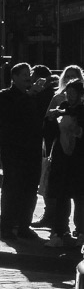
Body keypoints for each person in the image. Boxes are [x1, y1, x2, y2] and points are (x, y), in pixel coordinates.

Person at [0, 61, 45, 239]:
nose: (27, 77)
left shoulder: (34, 96)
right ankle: (7, 227)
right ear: (14, 77)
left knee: (30, 188)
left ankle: (25, 226)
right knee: (12, 188)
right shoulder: (5, 95)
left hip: (32, 150)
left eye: (29, 74)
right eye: (24, 74)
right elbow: (11, 115)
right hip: (14, 151)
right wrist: (29, 96)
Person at [45, 79, 84, 242]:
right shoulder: (62, 109)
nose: (70, 96)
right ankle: (61, 229)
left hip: (79, 158)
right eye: (68, 93)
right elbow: (50, 133)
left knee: (80, 196)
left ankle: (81, 229)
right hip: (62, 158)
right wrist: (51, 119)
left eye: (73, 93)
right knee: (62, 195)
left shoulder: (81, 111)